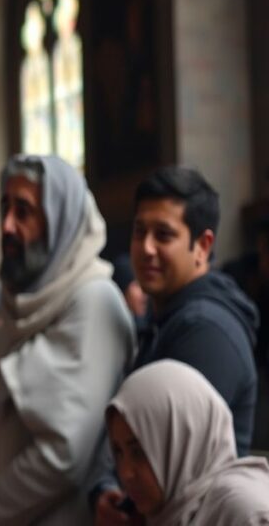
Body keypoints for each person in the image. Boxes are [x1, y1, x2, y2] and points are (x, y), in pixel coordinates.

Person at [0, 154, 135, 525]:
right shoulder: (20, 303)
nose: (7, 226)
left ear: (60, 220)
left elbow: (63, 455)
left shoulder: (92, 301)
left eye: (24, 211)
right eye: (4, 208)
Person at [93, 166, 259, 524]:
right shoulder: (167, 317)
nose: (147, 248)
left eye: (163, 235)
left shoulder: (205, 330)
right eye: (140, 232)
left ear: (203, 246)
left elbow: (168, 463)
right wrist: (105, 488)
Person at [106, 360, 269, 525]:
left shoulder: (245, 513)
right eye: (118, 452)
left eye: (139, 452)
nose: (126, 473)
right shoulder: (170, 513)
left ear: (182, 442)